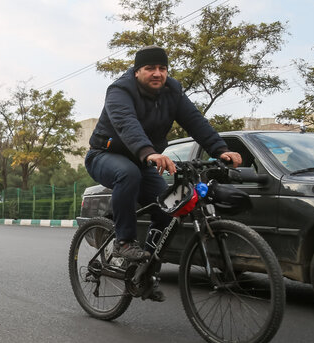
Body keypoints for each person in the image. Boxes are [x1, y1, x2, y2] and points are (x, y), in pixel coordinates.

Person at [85, 45, 242, 302]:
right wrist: (149, 152)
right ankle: (124, 241)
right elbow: (126, 124)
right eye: (150, 68)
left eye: (162, 68)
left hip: (143, 159)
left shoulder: (173, 91)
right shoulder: (119, 90)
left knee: (171, 209)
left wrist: (220, 149)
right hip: (104, 155)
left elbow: (195, 121)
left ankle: (144, 274)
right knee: (128, 174)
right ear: (137, 72)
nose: (157, 73)